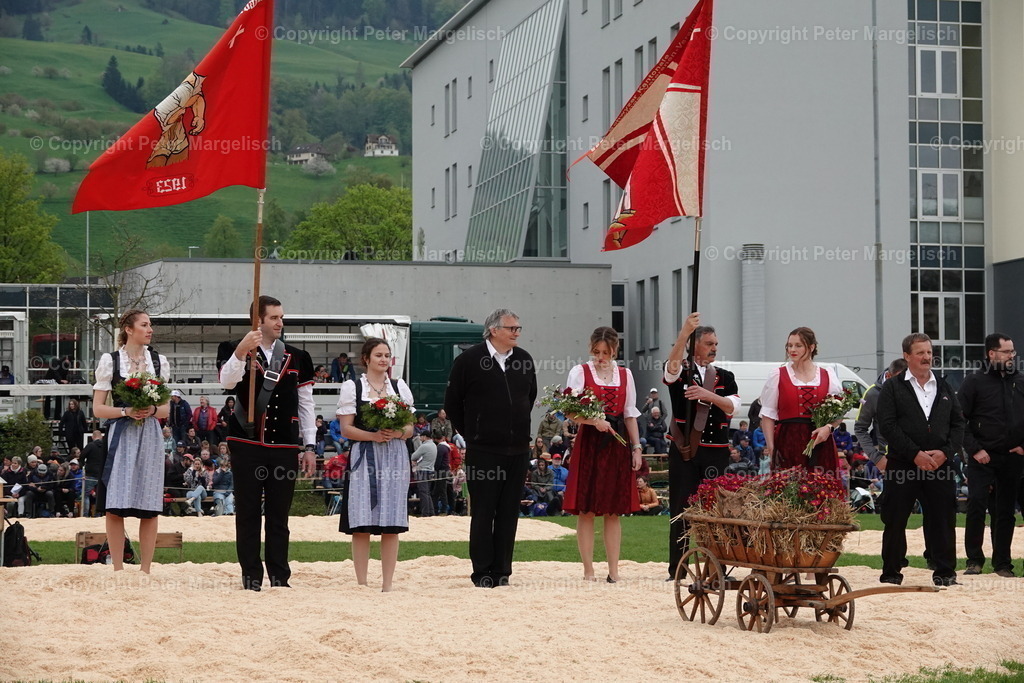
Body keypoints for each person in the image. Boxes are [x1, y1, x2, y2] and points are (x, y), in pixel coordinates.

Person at [218, 295, 317, 591]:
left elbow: (306, 404)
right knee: (247, 513)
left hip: (284, 445)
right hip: (246, 442)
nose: (280, 323)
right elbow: (226, 383)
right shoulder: (232, 349)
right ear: (258, 320)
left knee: (279, 515)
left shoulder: (298, 357)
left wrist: (310, 446)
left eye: (281, 317)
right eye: (274, 317)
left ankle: (279, 577)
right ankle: (251, 577)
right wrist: (240, 352)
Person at [444, 308, 537, 588]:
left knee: (509, 513)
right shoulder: (468, 361)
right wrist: (474, 434)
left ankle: (502, 572)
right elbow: (452, 404)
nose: (517, 333)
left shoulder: (524, 360)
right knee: (484, 512)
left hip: (518, 449)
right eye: (512, 328)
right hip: (484, 451)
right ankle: (483, 572)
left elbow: (529, 397)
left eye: (519, 328)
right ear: (494, 330)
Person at [877, 333, 964, 587]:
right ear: (907, 356)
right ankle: (891, 572)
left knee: (943, 518)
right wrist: (914, 453)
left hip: (940, 465)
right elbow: (888, 426)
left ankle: (945, 572)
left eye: (929, 352)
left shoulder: (945, 386)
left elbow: (958, 423)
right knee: (895, 518)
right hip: (903, 464)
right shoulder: (892, 388)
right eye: (920, 353)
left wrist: (946, 452)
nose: (927, 357)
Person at [91, 309, 171, 573]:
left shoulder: (158, 361)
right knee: (115, 504)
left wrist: (150, 410)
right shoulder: (111, 361)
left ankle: (146, 569)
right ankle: (117, 569)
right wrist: (125, 411)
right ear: (129, 329)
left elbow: (166, 410)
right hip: (121, 436)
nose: (150, 330)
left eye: (150, 325)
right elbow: (98, 409)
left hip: (149, 435)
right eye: (145, 325)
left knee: (149, 504)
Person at [562, 326, 643, 583]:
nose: (600, 357)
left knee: (613, 510)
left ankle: (614, 571)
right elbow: (569, 411)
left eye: (606, 352)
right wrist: (592, 420)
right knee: (586, 509)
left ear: (614, 351)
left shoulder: (625, 374)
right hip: (590, 444)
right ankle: (588, 570)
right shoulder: (580, 372)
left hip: (617, 445)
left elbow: (630, 413)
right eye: (596, 352)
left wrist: (637, 447)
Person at [664, 313, 741, 580]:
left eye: (716, 343)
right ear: (695, 344)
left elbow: (733, 405)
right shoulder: (681, 370)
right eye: (709, 343)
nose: (714, 348)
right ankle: (678, 569)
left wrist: (708, 395)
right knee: (680, 510)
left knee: (717, 510)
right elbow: (671, 369)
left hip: (715, 452)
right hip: (685, 450)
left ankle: (715, 567)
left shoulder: (725, 376)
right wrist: (684, 332)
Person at [336, 337, 415, 592]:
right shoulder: (353, 387)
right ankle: (362, 583)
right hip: (365, 455)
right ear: (366, 358)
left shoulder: (398, 386)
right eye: (379, 355)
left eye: (387, 355)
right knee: (361, 522)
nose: (384, 359)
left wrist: (397, 433)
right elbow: (346, 429)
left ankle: (388, 584)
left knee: (392, 521)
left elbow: (411, 428)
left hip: (394, 455)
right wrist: (373, 435)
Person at [958, 333, 1024, 578]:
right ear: (991, 353)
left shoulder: (1020, 380)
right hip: (981, 457)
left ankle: (1003, 564)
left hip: (1013, 458)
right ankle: (974, 560)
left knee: (1005, 511)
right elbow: (958, 420)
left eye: (1013, 351)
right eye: (1007, 352)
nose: (1011, 356)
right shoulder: (974, 381)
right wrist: (975, 450)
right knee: (976, 506)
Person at [759, 327, 842, 476]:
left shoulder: (827, 374)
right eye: (789, 345)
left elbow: (838, 412)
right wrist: (772, 449)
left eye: (798, 345)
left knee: (821, 491)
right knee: (788, 491)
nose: (792, 349)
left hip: (820, 443)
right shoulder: (778, 374)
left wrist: (828, 427)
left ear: (811, 347)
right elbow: (768, 415)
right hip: (787, 441)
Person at [855, 359, 909, 473]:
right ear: (888, 376)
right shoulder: (872, 394)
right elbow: (860, 428)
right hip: (889, 460)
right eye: (899, 380)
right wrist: (877, 458)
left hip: (915, 457)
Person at [410, 432, 437, 517]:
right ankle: (431, 512)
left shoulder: (424, 446)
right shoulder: (433, 445)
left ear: (425, 437)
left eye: (421, 437)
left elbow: (414, 456)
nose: (420, 438)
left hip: (423, 470)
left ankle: (425, 513)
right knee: (427, 492)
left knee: (423, 493)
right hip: (431, 470)